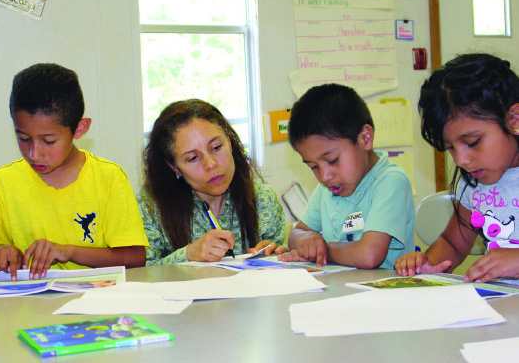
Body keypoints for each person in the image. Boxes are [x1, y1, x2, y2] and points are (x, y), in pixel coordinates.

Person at [0, 63, 148, 280]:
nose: (35, 153)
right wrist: (1, 255)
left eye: (49, 141)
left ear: (80, 128)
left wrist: (68, 251)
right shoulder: (3, 182)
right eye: (23, 139)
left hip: (95, 303)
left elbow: (135, 258)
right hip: (28, 307)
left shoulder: (108, 178)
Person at [395, 53, 519, 283]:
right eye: (450, 147)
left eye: (472, 142)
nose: (460, 160)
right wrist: (426, 264)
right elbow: (453, 243)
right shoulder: (473, 182)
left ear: (514, 119)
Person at [278, 84, 415, 268]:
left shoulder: (390, 181)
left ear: (365, 138)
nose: (324, 176)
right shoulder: (327, 189)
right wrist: (308, 239)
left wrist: (322, 250)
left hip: (383, 292)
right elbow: (296, 234)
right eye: (313, 166)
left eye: (333, 160)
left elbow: (369, 255)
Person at [138, 99, 285, 265]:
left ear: (228, 142)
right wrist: (187, 255)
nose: (210, 164)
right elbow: (143, 273)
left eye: (216, 147)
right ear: (173, 166)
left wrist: (273, 256)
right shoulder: (150, 208)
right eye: (193, 158)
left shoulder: (264, 200)